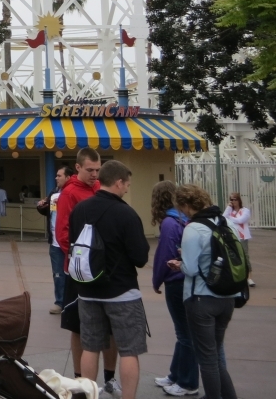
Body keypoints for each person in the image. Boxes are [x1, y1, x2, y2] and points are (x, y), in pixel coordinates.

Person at [71, 160, 150, 399]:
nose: (127, 188)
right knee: (129, 350)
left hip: (87, 290)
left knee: (90, 347)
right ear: (118, 182)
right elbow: (140, 257)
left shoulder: (80, 210)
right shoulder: (126, 213)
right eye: (126, 184)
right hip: (122, 292)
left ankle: (87, 394)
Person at [56, 148, 119, 394]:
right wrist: (83, 260)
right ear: (78, 167)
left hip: (103, 271)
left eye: (98, 170)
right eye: (90, 170)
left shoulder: (99, 190)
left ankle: (110, 377)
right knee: (78, 326)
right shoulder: (69, 193)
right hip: (79, 272)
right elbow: (62, 234)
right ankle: (79, 378)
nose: (95, 174)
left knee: (109, 325)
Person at [172, 184, 240, 399]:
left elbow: (190, 268)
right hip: (227, 297)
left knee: (207, 359)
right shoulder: (226, 222)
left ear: (185, 205)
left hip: (201, 299)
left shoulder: (193, 228)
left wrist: (179, 263)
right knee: (216, 356)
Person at [151, 181, 199, 397]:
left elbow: (164, 255)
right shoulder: (183, 219)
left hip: (176, 281)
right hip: (188, 280)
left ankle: (188, 381)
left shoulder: (169, 223)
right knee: (183, 333)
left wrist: (156, 280)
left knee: (184, 334)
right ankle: (176, 374)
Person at [38, 165, 74, 314]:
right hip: (55, 241)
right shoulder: (54, 192)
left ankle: (72, 303)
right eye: (56, 175)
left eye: (59, 176)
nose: (56, 178)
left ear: (68, 177)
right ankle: (59, 302)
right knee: (58, 273)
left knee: (72, 273)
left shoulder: (72, 192)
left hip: (70, 241)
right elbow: (49, 212)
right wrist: (42, 206)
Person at [223, 192, 255, 287]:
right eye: (231, 199)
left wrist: (230, 218)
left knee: (245, 255)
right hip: (232, 236)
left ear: (239, 200)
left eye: (235, 199)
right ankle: (236, 276)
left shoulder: (245, 210)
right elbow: (223, 218)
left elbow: (241, 220)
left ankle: (249, 277)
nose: (233, 201)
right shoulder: (230, 211)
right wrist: (228, 208)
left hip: (243, 236)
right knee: (233, 256)